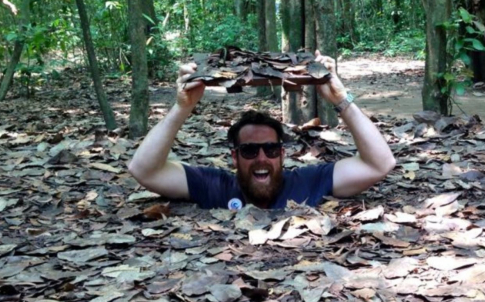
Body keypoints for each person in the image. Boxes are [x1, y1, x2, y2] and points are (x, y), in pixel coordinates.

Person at [128, 51, 397, 210]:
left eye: (270, 149)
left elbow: (379, 164)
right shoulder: (217, 187)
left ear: (282, 154)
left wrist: (340, 99)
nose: (261, 158)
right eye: (249, 150)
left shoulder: (306, 182)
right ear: (234, 157)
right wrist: (182, 108)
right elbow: (145, 170)